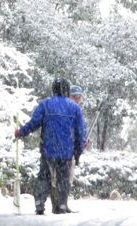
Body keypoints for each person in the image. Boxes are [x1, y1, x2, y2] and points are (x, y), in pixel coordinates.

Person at [14, 77, 86, 215]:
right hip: (66, 152)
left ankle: (40, 203)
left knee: (44, 176)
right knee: (63, 179)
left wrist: (20, 132)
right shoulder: (75, 108)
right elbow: (80, 132)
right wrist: (78, 151)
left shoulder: (45, 104)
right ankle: (62, 205)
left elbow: (34, 123)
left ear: (53, 89)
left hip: (48, 149)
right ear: (67, 90)